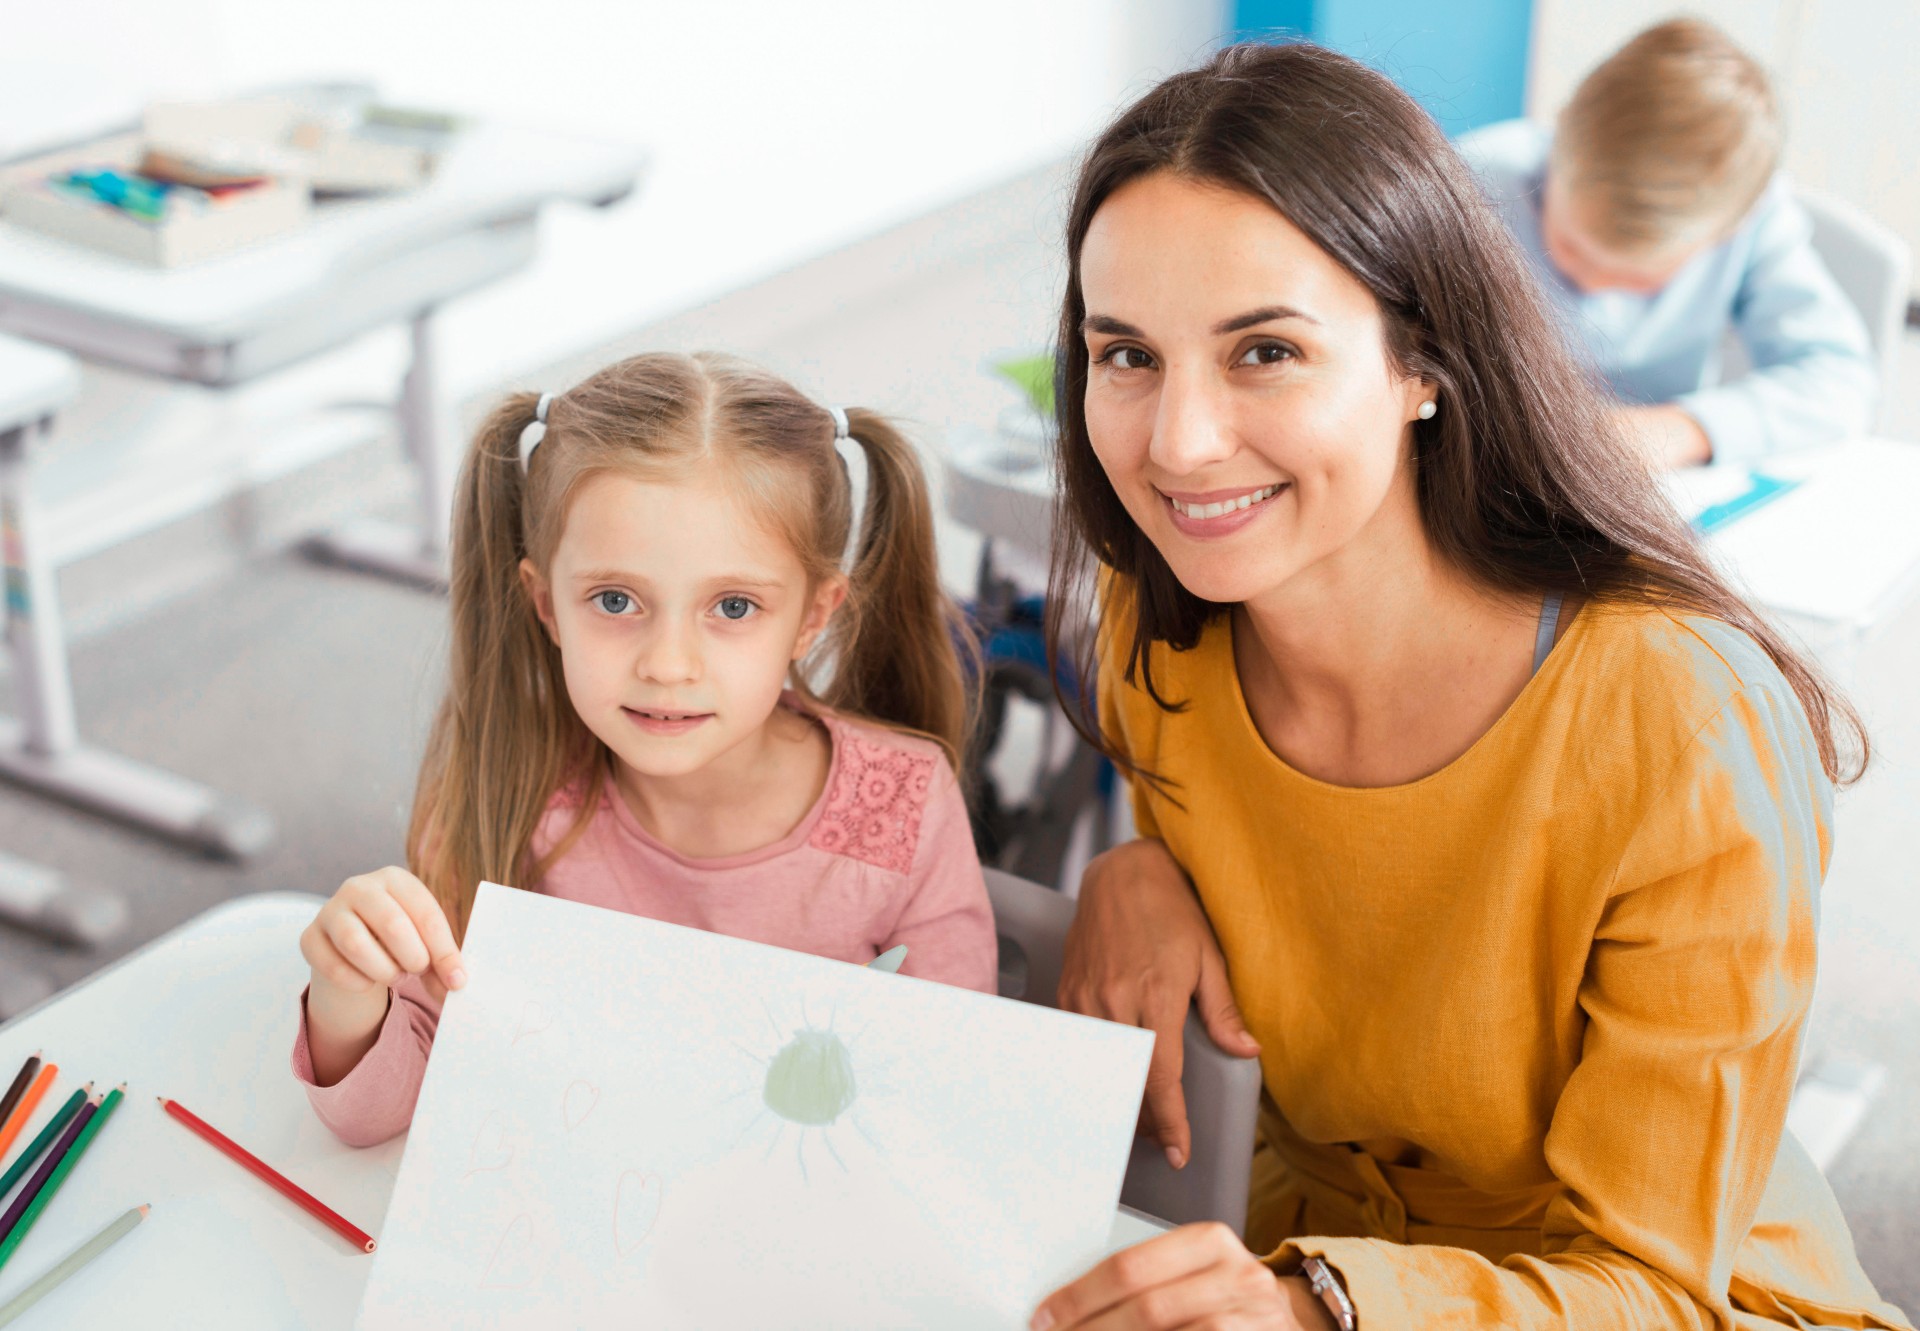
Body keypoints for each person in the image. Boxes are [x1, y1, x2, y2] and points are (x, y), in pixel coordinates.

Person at [1028, 41, 1910, 1331]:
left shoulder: (1680, 720)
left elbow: (1652, 1278)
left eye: (1264, 351)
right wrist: (1134, 867)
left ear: (1423, 363)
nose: (1176, 442)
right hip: (1295, 1257)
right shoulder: (1156, 620)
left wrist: (1320, 1309)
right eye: (1127, 354)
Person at [291, 352, 995, 1146]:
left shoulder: (902, 799)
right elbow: (385, 1115)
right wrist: (347, 994)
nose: (667, 663)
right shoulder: (505, 789)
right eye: (615, 599)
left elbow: (951, 1095)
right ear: (544, 602)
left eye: (732, 605)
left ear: (812, 615)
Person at [1458, 18, 1878, 470]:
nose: (1595, 285)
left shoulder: (1757, 221)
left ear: (1723, 235)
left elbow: (1840, 379)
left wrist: (1680, 430)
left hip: (1653, 487)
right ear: (1557, 145)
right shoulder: (1467, 184)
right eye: (1570, 247)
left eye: (1639, 278)